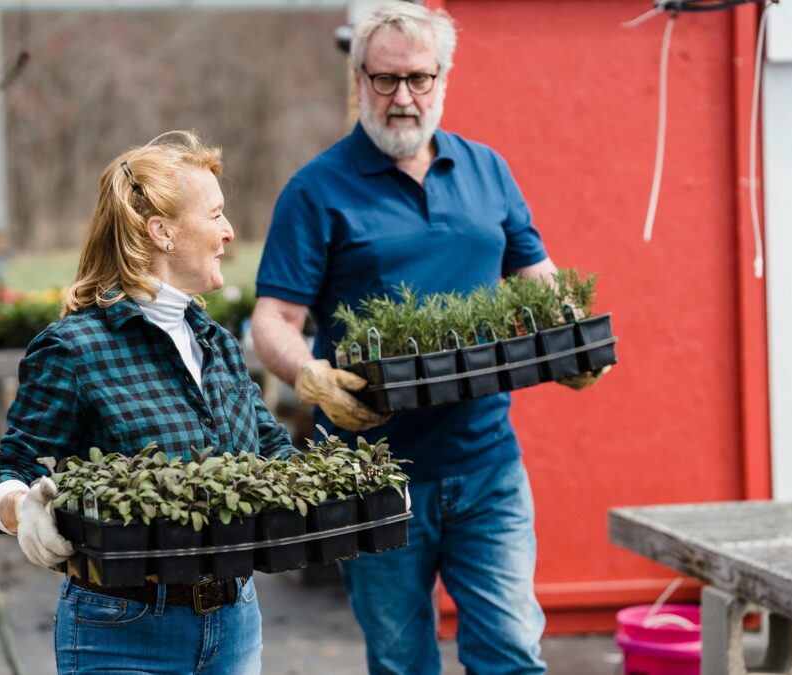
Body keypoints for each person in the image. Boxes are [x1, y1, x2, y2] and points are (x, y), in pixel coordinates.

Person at [251, 4, 607, 673]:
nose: (403, 97)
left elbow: (539, 277)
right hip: (374, 474)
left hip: (486, 463)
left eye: (419, 78)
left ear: (443, 78)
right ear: (358, 79)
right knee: (400, 658)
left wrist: (574, 339)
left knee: (510, 649)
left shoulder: (487, 171)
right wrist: (310, 376)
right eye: (385, 80)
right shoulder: (317, 190)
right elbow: (273, 320)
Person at [0, 130, 294, 675]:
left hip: (236, 623)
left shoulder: (215, 342)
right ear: (162, 232)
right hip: (124, 629)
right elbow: (7, 470)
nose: (229, 231)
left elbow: (272, 451)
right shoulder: (75, 348)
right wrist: (24, 509)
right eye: (215, 215)